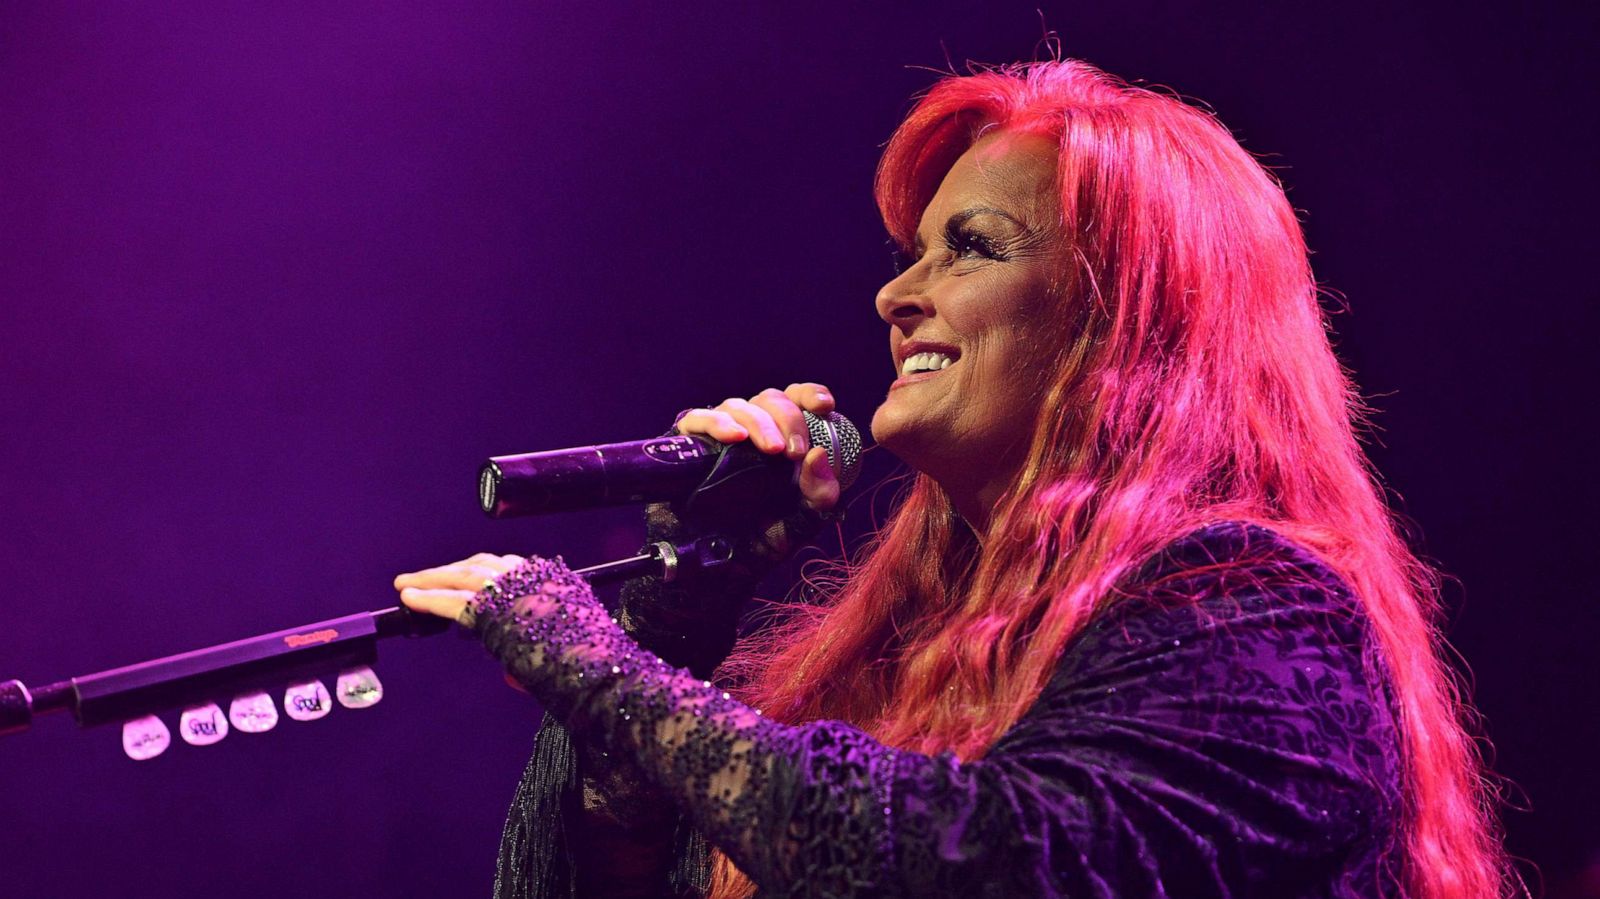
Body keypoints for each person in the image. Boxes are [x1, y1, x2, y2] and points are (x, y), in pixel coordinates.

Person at [395, 60, 1510, 897]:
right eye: (909, 256)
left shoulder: (1256, 609)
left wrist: (604, 671)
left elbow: (983, 859)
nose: (895, 297)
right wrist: (675, 612)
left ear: (1126, 310)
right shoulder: (901, 648)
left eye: (971, 247)